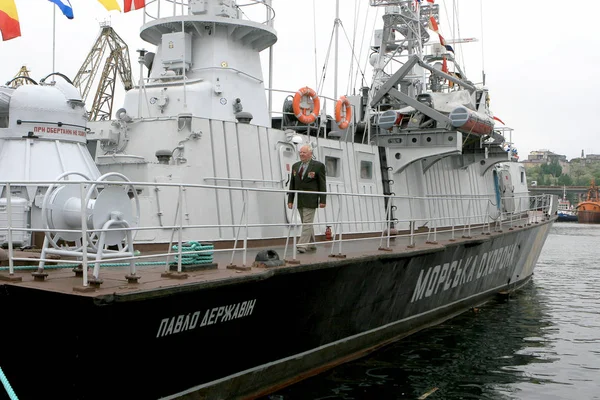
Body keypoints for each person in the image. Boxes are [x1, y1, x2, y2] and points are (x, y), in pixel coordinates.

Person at [287, 145, 327, 253]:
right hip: (300, 199)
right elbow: (292, 184)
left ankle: (302, 245)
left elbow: (322, 184)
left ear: (310, 153)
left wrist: (323, 200)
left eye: (304, 152)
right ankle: (312, 244)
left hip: (311, 199)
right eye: (300, 152)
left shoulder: (318, 166)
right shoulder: (295, 166)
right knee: (306, 222)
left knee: (307, 222)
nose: (301, 154)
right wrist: (290, 200)